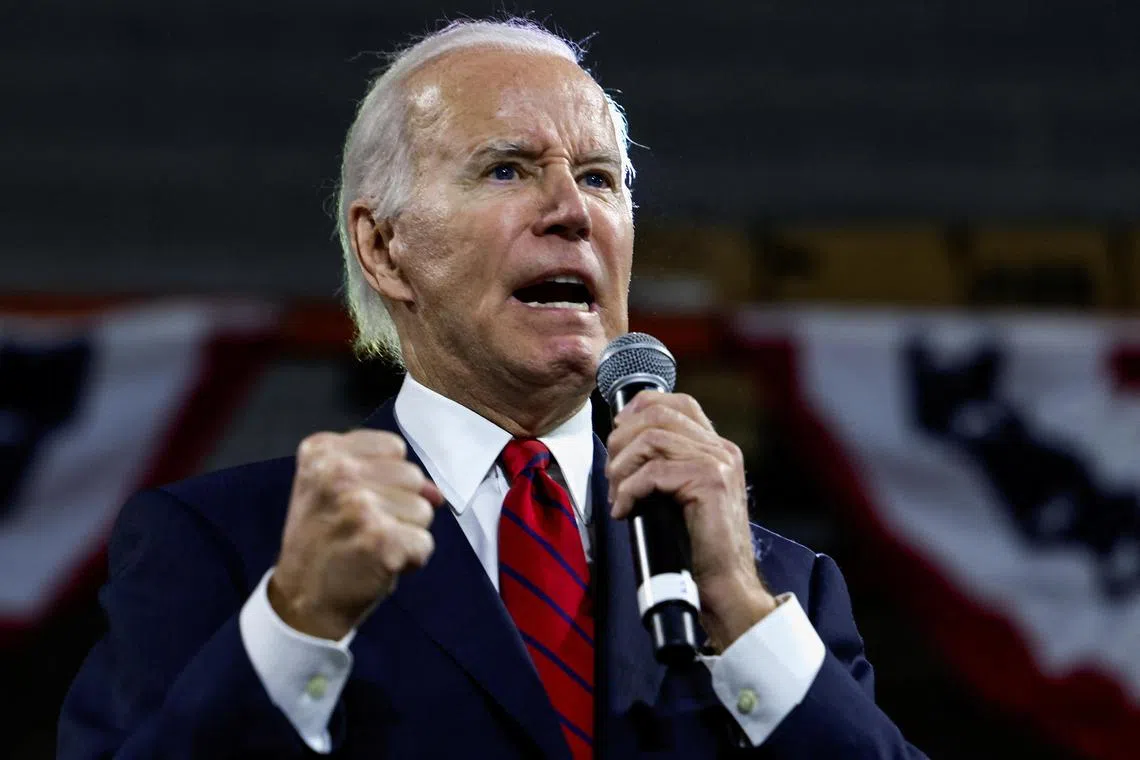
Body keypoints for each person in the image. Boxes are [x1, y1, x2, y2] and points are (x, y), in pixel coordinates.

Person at [58, 18, 925, 759]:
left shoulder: (777, 581)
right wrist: (298, 624)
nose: (571, 211)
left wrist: (738, 609)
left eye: (599, 178)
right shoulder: (229, 549)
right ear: (383, 247)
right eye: (508, 169)